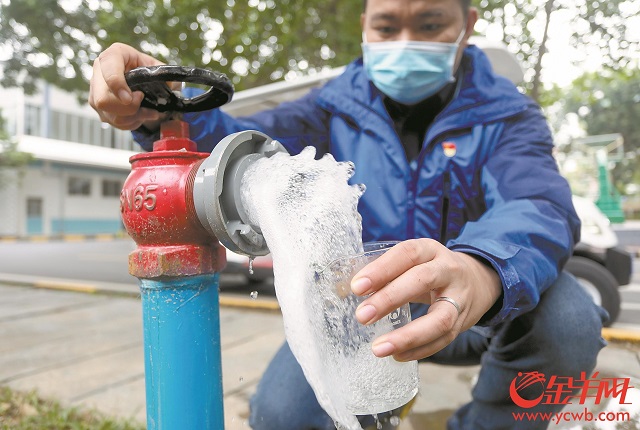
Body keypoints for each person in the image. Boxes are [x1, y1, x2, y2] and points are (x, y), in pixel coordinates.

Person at [90, 0, 608, 428]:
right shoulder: (329, 110)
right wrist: (163, 109)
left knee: (568, 321)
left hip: (475, 308)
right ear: (364, 25)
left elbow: (536, 203)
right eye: (386, 26)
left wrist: (482, 268)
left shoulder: (508, 116)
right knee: (280, 416)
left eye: (430, 25)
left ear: (467, 25)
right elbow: (244, 151)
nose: (405, 41)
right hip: (358, 309)